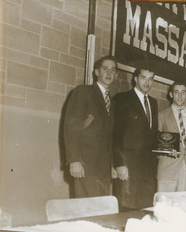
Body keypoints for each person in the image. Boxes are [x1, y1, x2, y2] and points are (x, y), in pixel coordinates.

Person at [63, 55, 118, 198]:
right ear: (96, 72)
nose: (109, 73)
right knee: (85, 210)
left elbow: (109, 136)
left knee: (100, 209)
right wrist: (74, 160)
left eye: (113, 70)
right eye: (105, 69)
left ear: (116, 75)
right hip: (85, 164)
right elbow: (71, 128)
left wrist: (111, 165)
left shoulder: (111, 101)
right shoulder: (83, 92)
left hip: (103, 168)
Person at [113, 64, 158, 210]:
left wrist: (165, 148)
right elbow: (116, 134)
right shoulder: (122, 99)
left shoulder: (153, 102)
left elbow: (152, 134)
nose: (147, 82)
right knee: (126, 210)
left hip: (148, 170)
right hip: (128, 168)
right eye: (143, 78)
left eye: (151, 79)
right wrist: (119, 164)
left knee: (146, 212)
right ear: (135, 79)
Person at [157, 82, 186, 192]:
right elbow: (156, 143)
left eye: (183, 92)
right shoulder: (161, 115)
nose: (180, 96)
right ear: (171, 94)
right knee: (165, 206)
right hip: (168, 167)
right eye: (176, 92)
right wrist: (166, 151)